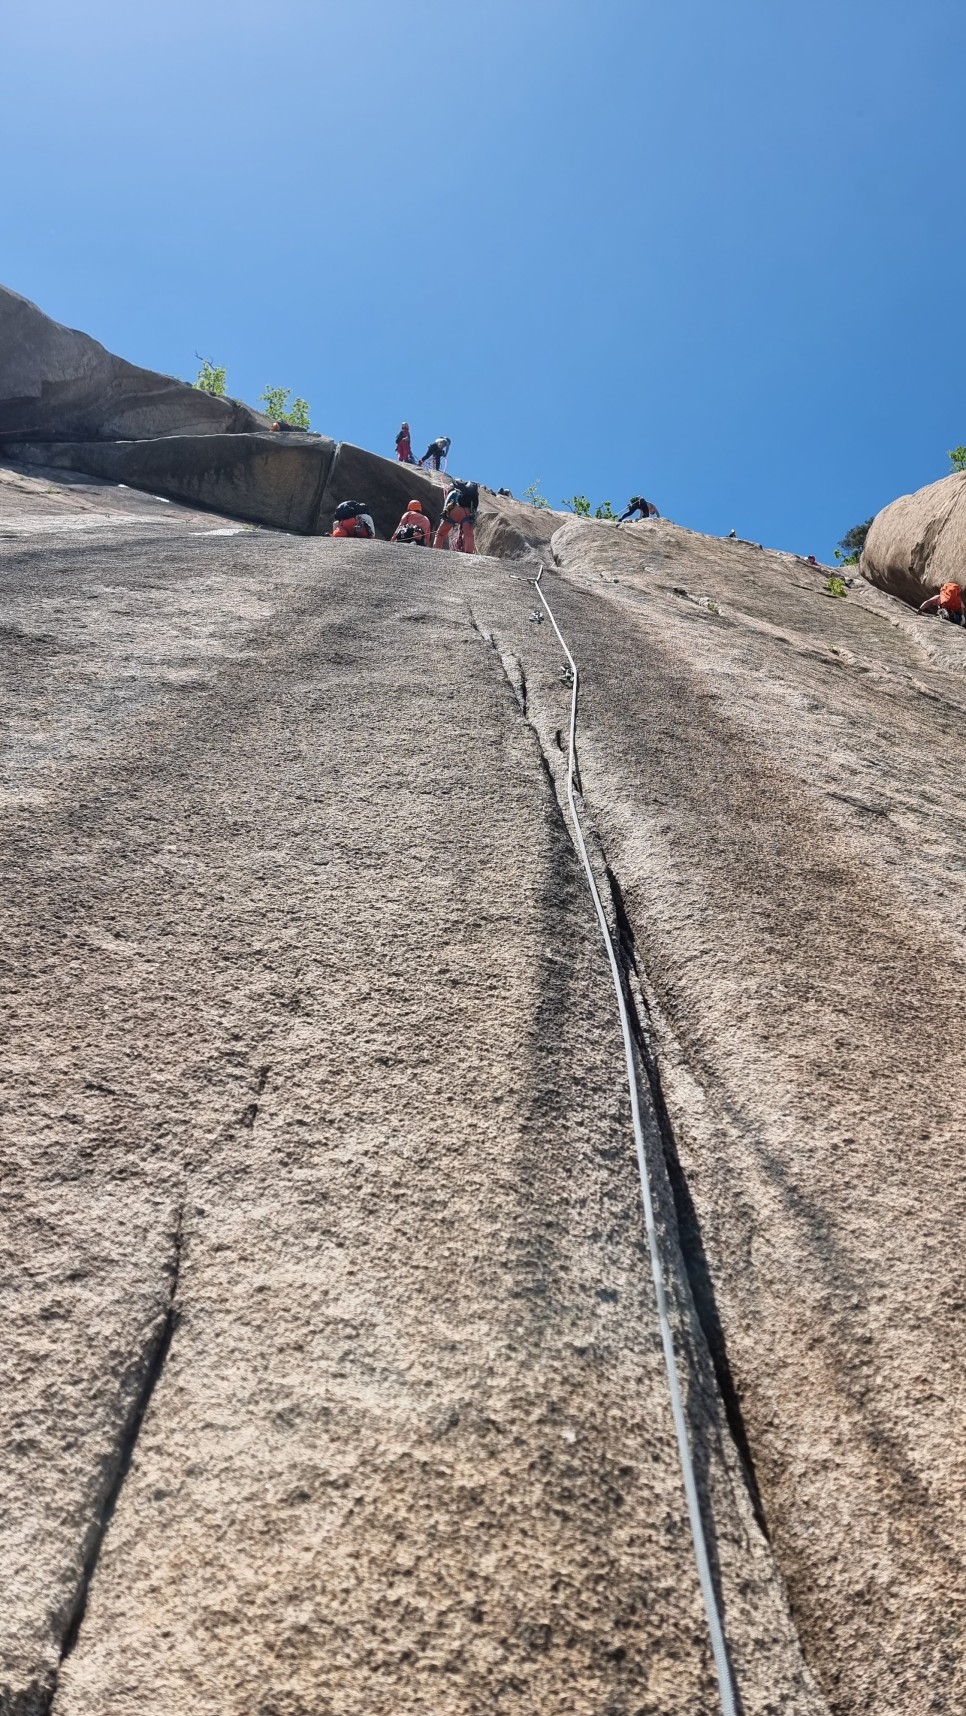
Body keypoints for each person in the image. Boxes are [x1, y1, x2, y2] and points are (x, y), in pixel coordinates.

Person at [434, 479, 479, 553]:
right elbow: (475, 509)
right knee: (468, 535)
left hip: (455, 511)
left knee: (440, 534)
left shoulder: (454, 492)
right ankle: (469, 553)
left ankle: (436, 550)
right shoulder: (472, 497)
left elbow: (447, 505)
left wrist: (445, 514)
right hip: (468, 513)